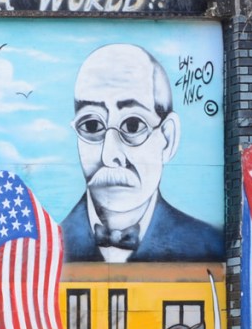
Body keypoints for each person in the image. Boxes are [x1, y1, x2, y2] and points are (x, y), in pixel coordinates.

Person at [60, 44, 224, 263]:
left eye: (133, 125)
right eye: (91, 126)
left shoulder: (208, 246)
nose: (110, 156)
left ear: (168, 138)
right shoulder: (43, 249)